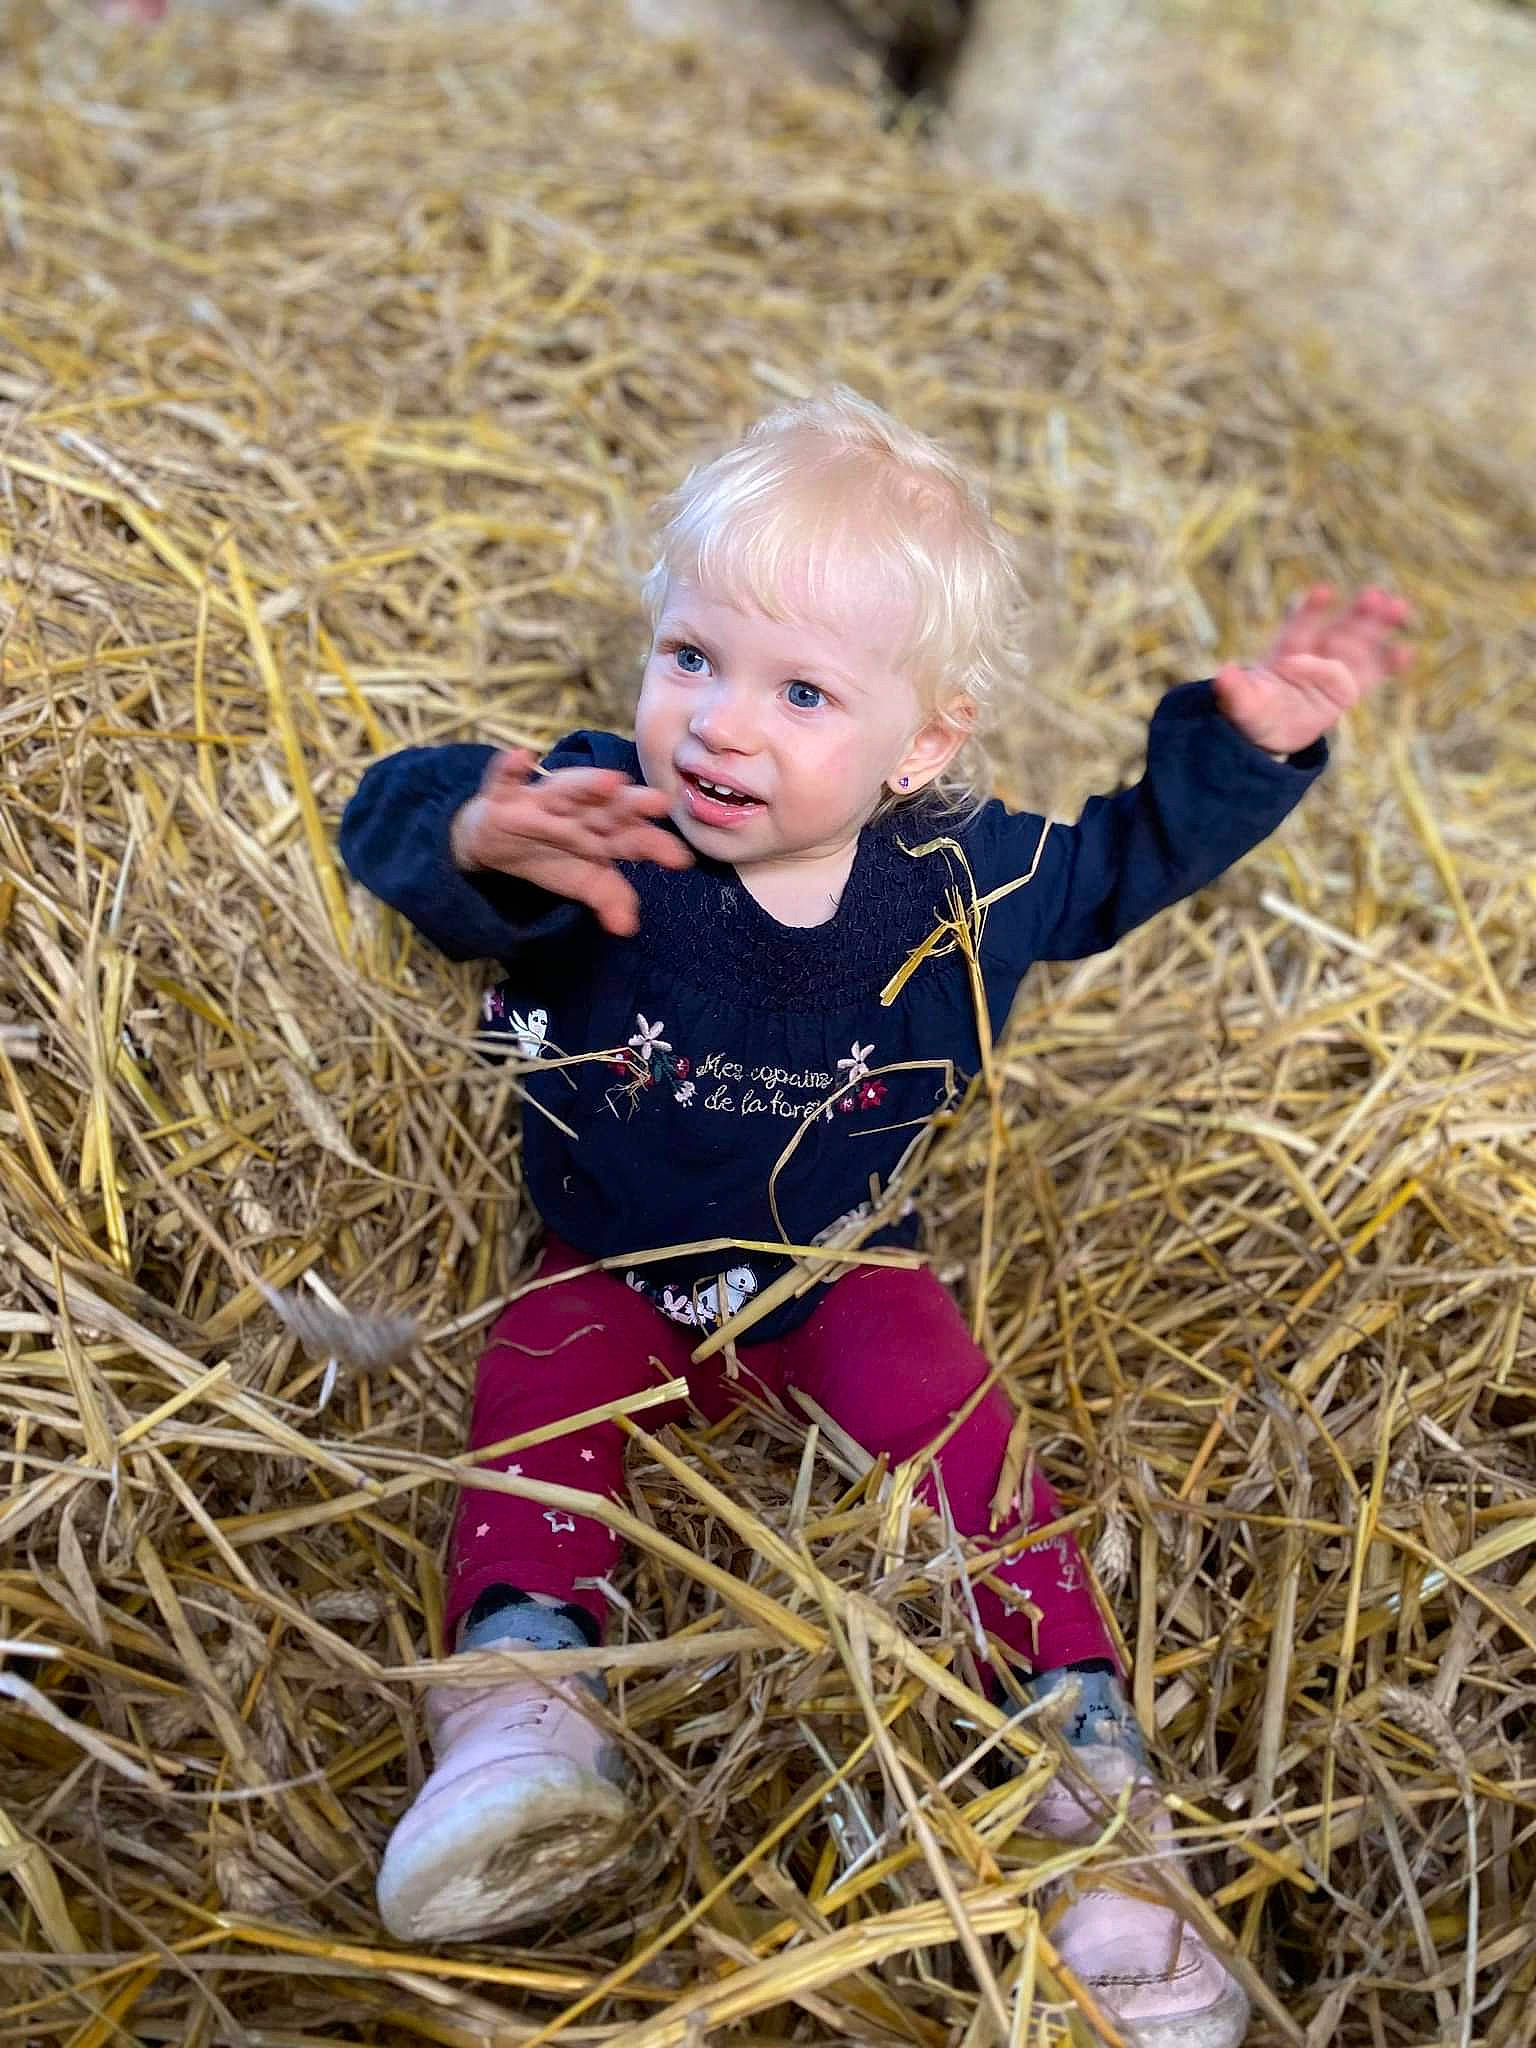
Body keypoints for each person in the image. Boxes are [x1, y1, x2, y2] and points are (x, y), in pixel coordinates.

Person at [340, 388, 1412, 2043]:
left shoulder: (963, 878)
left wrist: (1242, 746)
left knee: (975, 1456)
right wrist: (476, 836)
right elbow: (397, 818)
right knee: (533, 1399)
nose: (720, 725)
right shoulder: (598, 806)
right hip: (609, 1258)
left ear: (924, 744)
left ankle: (1090, 1800)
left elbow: (1128, 861)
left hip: (841, 1269)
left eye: (804, 692)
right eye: (692, 656)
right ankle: (521, 1716)